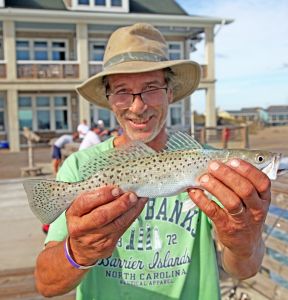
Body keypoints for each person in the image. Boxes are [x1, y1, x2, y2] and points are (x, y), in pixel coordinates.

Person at [35, 23, 271, 300]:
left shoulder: (213, 169)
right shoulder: (77, 166)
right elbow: (46, 285)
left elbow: (244, 270)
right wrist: (78, 251)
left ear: (170, 93)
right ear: (110, 100)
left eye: (151, 88)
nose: (138, 106)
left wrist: (244, 241)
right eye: (123, 91)